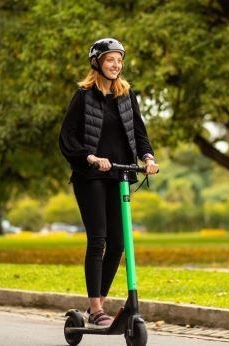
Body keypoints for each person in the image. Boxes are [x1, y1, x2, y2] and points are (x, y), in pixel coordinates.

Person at [59, 38, 159, 327]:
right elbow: (66, 139)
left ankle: (97, 304)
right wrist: (89, 156)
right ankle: (95, 307)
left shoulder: (127, 96)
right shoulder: (83, 96)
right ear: (97, 63)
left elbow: (139, 131)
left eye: (119, 60)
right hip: (91, 176)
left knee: (118, 242)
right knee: (99, 239)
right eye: (110, 59)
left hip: (120, 175)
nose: (116, 65)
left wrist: (148, 157)